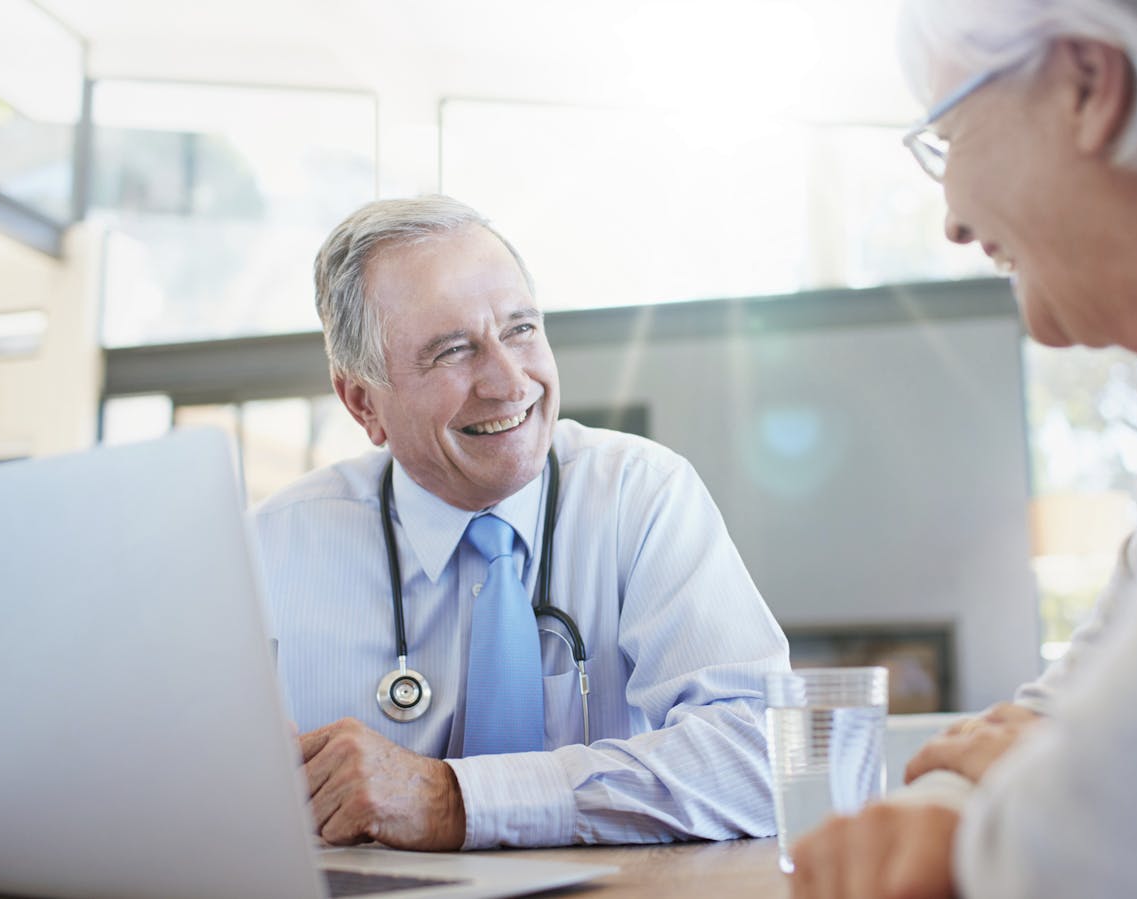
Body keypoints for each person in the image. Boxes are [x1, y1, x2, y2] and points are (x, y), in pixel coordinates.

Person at [790, 0, 1137, 896]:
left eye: (952, 132)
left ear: (1089, 84)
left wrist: (998, 818)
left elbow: (1103, 842)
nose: (953, 222)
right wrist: (1013, 789)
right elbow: (1047, 721)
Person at [252, 196, 790, 851]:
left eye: (521, 330)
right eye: (452, 351)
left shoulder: (641, 496)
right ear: (364, 401)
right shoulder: (269, 552)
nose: (510, 383)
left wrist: (453, 800)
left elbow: (762, 756)